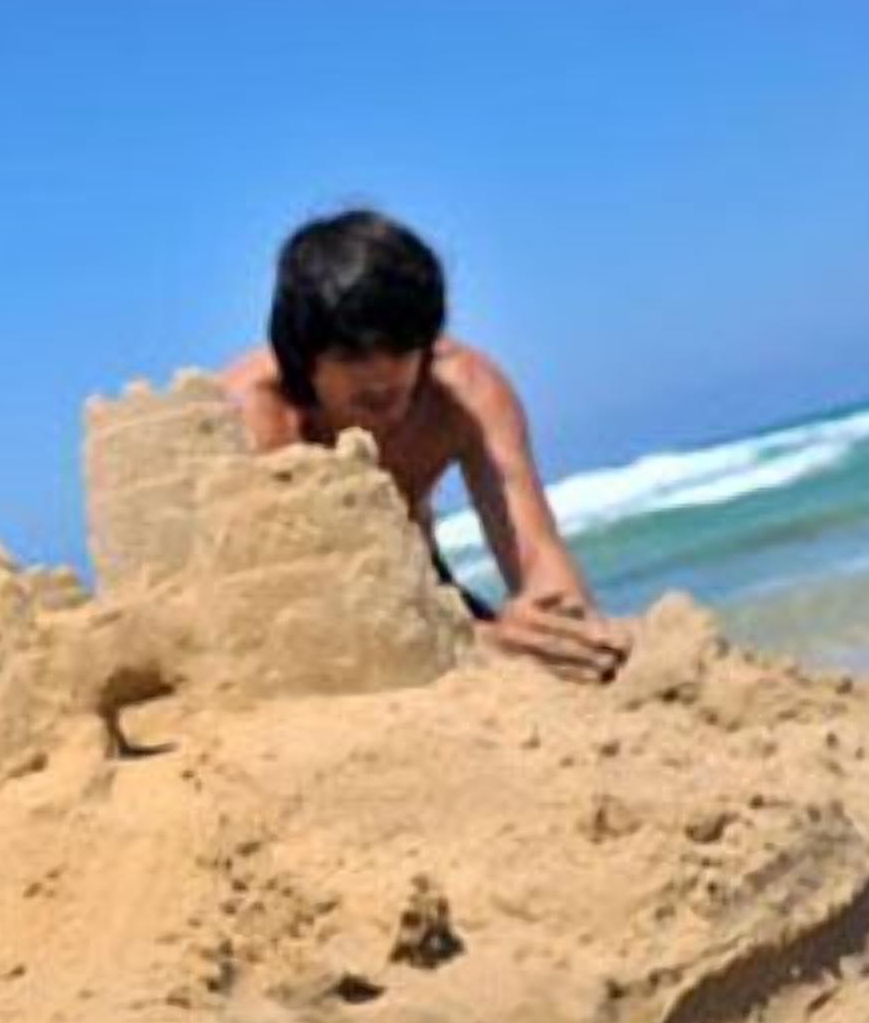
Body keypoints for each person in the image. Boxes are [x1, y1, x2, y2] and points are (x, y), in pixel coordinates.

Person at [221, 209, 629, 683]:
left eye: (401, 347)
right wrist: (482, 639)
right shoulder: (249, 420)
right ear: (303, 357)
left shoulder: (465, 394)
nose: (382, 375)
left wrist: (570, 635)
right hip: (293, 607)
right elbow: (299, 608)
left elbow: (536, 552)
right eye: (353, 355)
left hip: (420, 583)